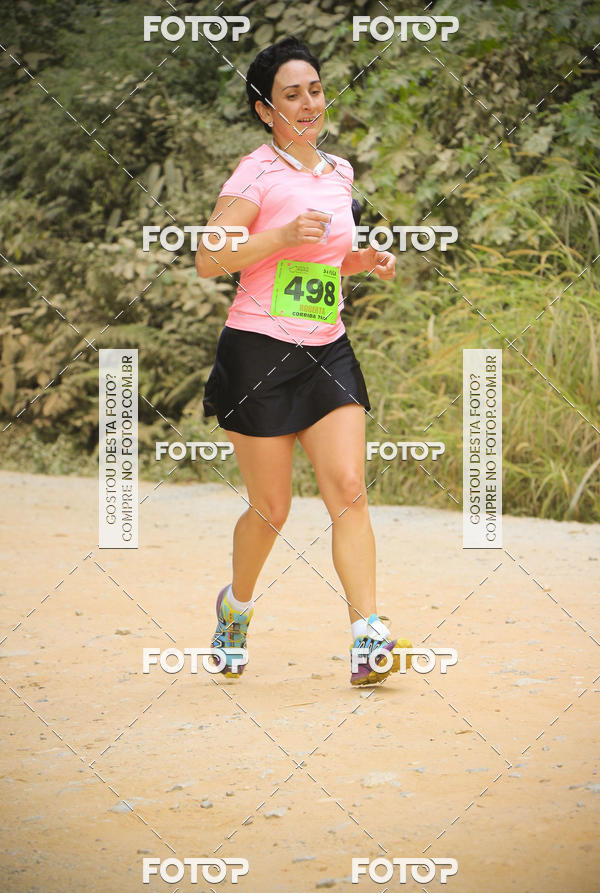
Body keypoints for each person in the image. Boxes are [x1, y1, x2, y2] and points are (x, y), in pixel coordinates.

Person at [196, 36, 412, 686]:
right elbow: (210, 257)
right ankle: (235, 609)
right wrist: (280, 236)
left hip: (327, 350)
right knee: (272, 508)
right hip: (258, 354)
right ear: (266, 110)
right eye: (292, 95)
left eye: (315, 90)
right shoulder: (255, 173)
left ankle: (368, 637)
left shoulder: (339, 172)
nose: (309, 103)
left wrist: (363, 261)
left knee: (347, 487)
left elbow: (327, 260)